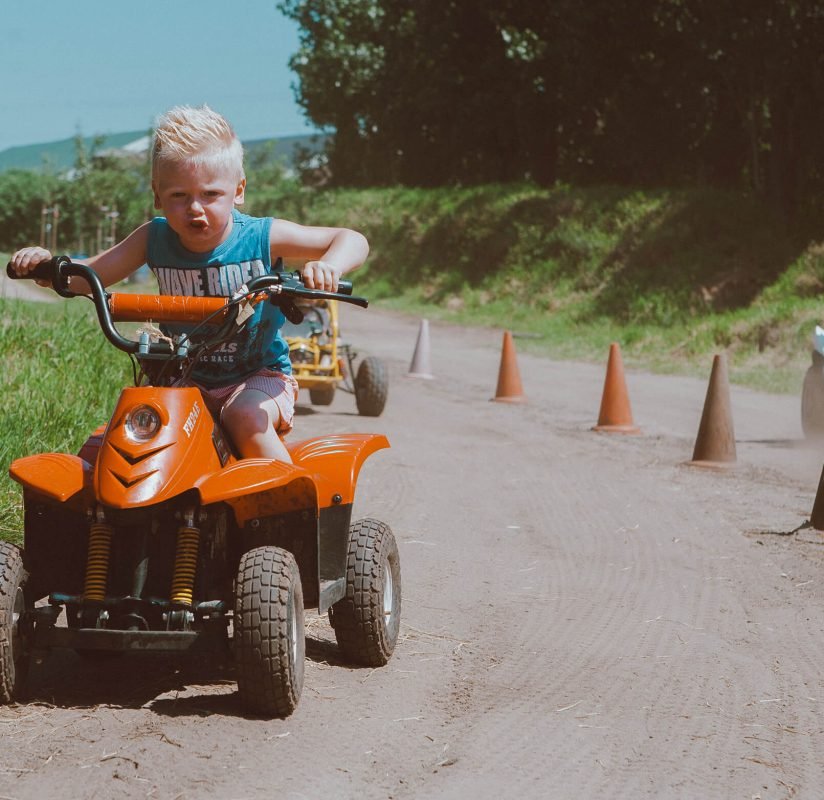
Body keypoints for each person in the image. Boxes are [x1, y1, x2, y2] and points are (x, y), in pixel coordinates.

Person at [9, 104, 369, 464]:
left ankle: (292, 498)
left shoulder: (261, 236)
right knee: (132, 431)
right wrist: (47, 266)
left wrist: (329, 265)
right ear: (157, 195)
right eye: (179, 196)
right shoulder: (153, 238)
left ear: (238, 190)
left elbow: (351, 239)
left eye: (210, 194)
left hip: (258, 377)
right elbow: (88, 277)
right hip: (183, 379)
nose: (195, 208)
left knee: (244, 417)